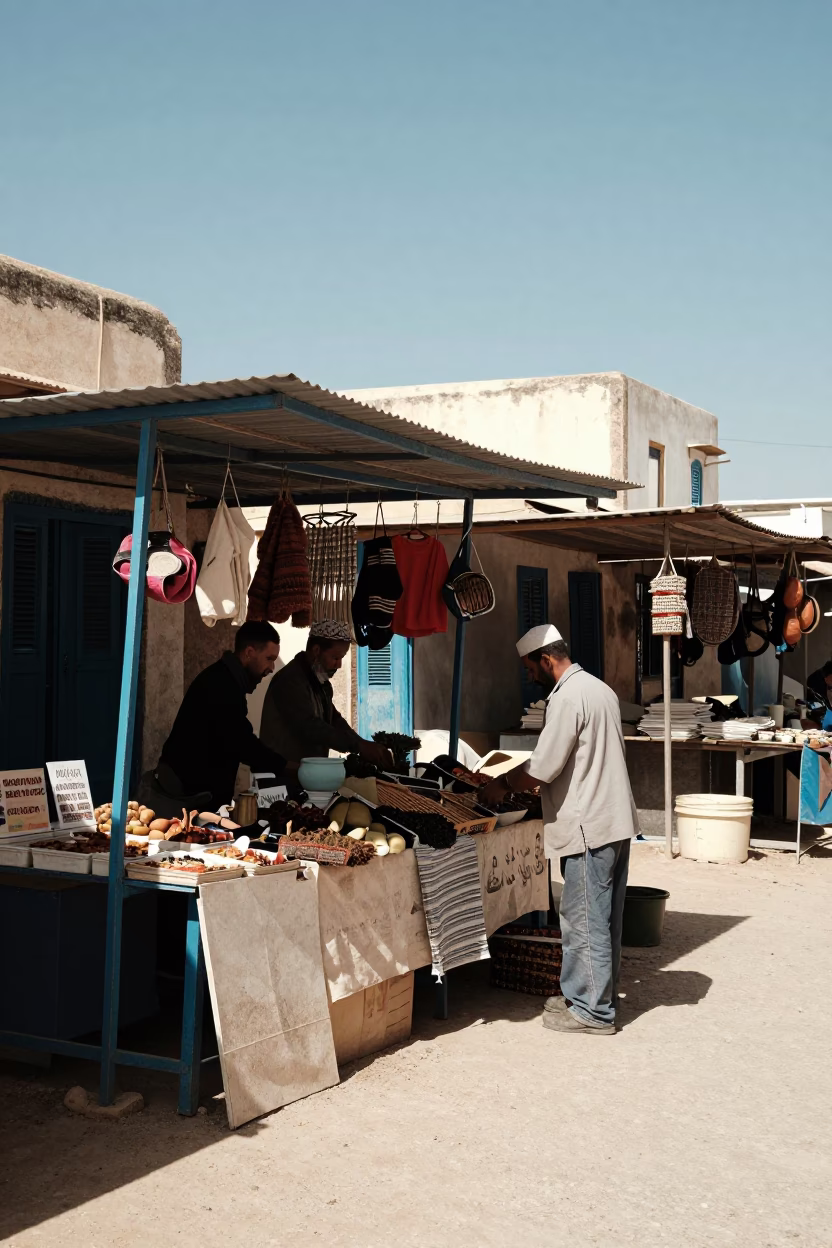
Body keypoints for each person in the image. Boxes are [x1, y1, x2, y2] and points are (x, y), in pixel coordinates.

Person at [481, 623, 638, 1035]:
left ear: (547, 661)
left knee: (583, 917)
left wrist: (502, 785)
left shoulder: (567, 698)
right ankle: (594, 996)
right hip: (614, 819)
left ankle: (591, 1011)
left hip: (590, 824)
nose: (530, 677)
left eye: (531, 668)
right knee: (605, 918)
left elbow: (544, 767)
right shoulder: (600, 689)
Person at [152, 620, 288, 813]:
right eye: (269, 658)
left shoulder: (227, 679)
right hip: (185, 794)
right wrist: (285, 766)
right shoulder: (221, 685)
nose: (272, 667)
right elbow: (241, 741)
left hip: (197, 790)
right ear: (249, 653)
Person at [260, 620, 394, 768]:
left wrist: (361, 744)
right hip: (280, 778)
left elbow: (334, 719)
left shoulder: (320, 683)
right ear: (316, 651)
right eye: (335, 658)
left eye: (341, 659)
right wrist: (358, 746)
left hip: (304, 775)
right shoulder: (290, 680)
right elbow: (311, 727)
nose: (339, 665)